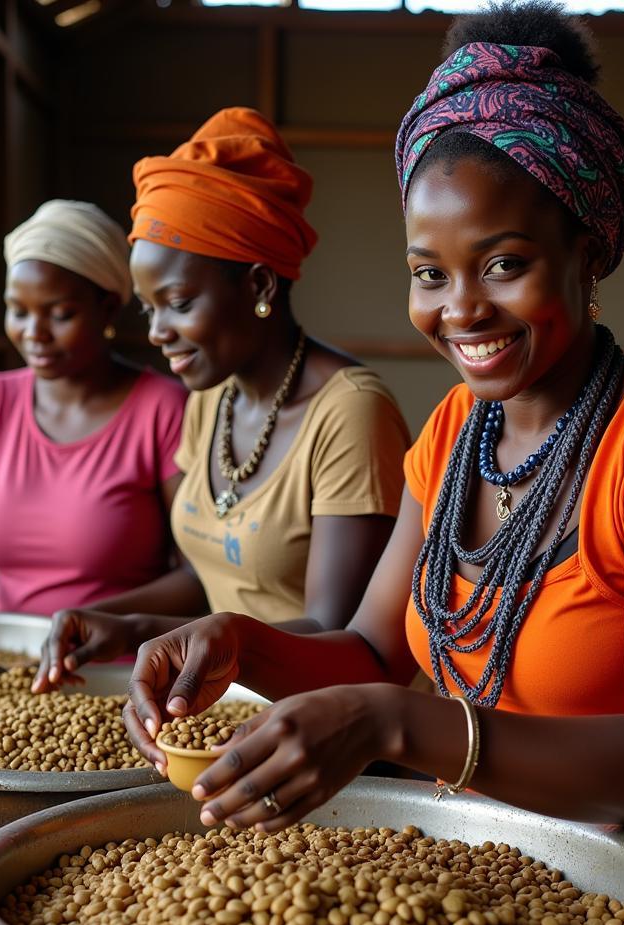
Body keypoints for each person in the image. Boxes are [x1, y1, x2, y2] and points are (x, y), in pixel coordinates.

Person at [121, 6, 624, 925]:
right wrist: (236, 642)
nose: (459, 309)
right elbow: (370, 651)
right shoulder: (453, 430)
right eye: (428, 272)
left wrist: (393, 723)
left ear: (590, 251)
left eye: (503, 263)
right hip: (536, 886)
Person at [32, 108, 410, 694]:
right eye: (148, 308)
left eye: (178, 303)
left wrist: (170, 639)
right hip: (220, 704)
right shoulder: (213, 398)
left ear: (258, 286)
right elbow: (205, 574)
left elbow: (336, 633)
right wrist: (123, 622)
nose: (157, 331)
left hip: (320, 732)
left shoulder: (350, 412)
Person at [0, 200, 188, 653]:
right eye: (19, 311)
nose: (35, 333)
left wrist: (105, 619)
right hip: (9, 666)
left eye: (59, 314)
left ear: (107, 308)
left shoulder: (162, 410)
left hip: (122, 665)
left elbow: (198, 576)